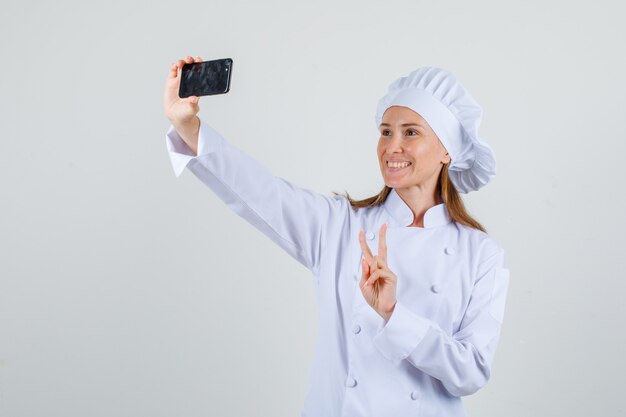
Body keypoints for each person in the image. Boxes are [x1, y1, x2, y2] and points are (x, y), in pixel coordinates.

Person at [163, 56, 510, 417]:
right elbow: (260, 193)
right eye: (386, 131)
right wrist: (188, 127)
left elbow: (471, 373)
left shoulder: (481, 254)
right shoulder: (340, 225)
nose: (392, 146)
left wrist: (393, 314)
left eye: (411, 132)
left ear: (447, 150)